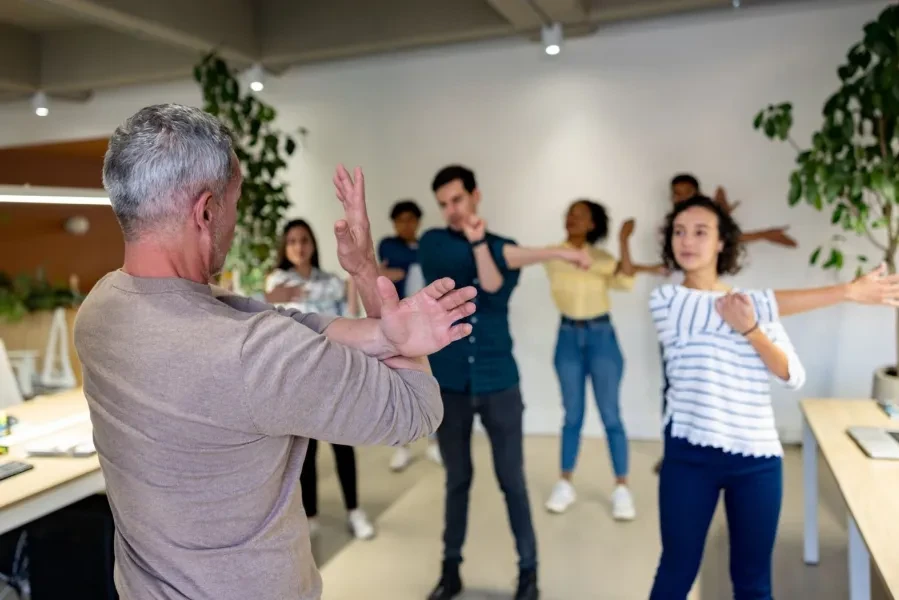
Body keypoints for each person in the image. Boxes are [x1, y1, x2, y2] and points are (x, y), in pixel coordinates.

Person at [74, 103, 477, 600]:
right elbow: (415, 406)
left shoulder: (99, 310)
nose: (235, 220)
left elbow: (273, 320)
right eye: (234, 203)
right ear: (205, 211)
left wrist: (383, 332)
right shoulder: (251, 354)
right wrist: (370, 275)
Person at [419, 165, 591, 600]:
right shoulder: (433, 243)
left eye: (457, 200)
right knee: (457, 480)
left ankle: (528, 572)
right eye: (443, 204)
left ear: (475, 195)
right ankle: (450, 569)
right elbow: (466, 266)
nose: (451, 210)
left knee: (511, 479)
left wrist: (484, 245)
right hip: (451, 385)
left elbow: (492, 285)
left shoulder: (500, 247)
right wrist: (553, 253)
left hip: (500, 383)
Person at [648, 195, 807, 599]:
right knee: (676, 572)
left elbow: (792, 375)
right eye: (680, 232)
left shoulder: (753, 307)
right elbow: (711, 309)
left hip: (757, 460)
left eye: (701, 232)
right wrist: (847, 291)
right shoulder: (667, 301)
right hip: (689, 456)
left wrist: (752, 328)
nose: (688, 241)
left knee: (753, 583)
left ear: (722, 243)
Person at [265, 219, 373, 540]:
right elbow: (273, 300)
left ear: (313, 244)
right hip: (297, 379)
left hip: (332, 375)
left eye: (304, 240)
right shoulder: (278, 280)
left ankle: (354, 510)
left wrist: (352, 284)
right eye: (292, 241)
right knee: (306, 451)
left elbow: (350, 318)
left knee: (343, 446)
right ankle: (310, 515)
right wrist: (336, 287)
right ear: (285, 248)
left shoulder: (329, 280)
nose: (299, 246)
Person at [542, 199, 643, 520]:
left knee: (611, 415)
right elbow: (572, 263)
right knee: (572, 415)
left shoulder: (603, 257)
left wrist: (624, 242)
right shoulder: (553, 254)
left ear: (593, 224)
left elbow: (626, 279)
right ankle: (565, 483)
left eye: (580, 215)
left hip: (602, 338)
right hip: (567, 337)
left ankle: (622, 488)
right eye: (569, 213)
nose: (572, 218)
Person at [378, 200, 443, 471]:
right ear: (394, 223)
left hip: (428, 325)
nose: (406, 225)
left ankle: (435, 442)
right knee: (397, 384)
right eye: (400, 220)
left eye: (410, 219)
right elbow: (397, 269)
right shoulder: (388, 245)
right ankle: (401, 447)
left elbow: (412, 269)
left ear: (418, 221)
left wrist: (398, 270)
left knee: (431, 381)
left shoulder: (428, 245)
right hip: (398, 326)